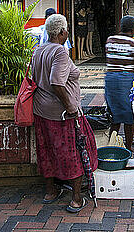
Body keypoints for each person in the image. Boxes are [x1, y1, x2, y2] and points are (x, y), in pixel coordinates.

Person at [31, 14, 97, 213]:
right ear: (62, 32)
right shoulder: (60, 52)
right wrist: (70, 106)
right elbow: (57, 82)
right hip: (61, 113)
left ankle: (51, 191)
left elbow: (36, 78)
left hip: (41, 110)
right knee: (73, 152)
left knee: (47, 150)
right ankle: (76, 198)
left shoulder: (39, 50)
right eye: (66, 29)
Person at [105, 16, 134, 151]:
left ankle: (112, 145)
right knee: (129, 116)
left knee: (114, 114)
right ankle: (127, 147)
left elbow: (111, 59)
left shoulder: (110, 41)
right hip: (126, 80)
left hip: (110, 80)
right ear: (133, 29)